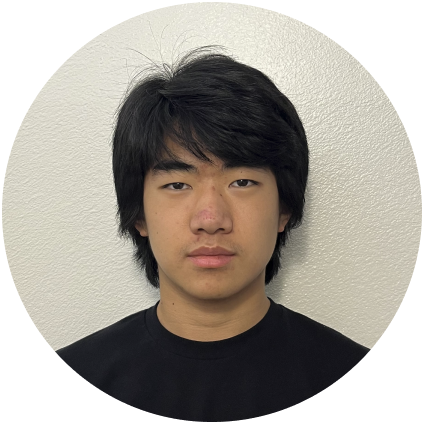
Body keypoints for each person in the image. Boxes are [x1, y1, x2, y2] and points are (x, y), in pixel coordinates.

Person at [57, 47, 369, 421]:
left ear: (283, 208)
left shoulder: (361, 382)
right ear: (138, 215)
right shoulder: (67, 385)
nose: (210, 219)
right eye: (176, 184)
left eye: (242, 181)